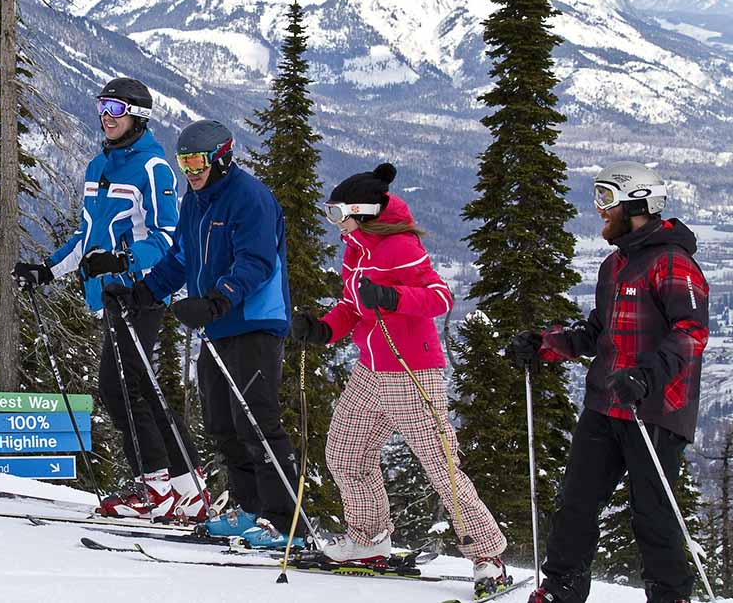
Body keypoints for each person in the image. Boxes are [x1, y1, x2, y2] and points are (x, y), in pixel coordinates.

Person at [291, 163, 510, 596]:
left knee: (441, 466)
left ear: (363, 211)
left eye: (338, 213)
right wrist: (322, 329)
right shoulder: (355, 247)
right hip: (371, 369)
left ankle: (487, 557)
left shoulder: (400, 247)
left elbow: (439, 297)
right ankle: (369, 542)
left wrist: (392, 297)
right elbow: (351, 307)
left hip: (412, 372)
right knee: (345, 453)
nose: (335, 222)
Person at [509, 162, 708, 603]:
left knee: (652, 515)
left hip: (654, 409)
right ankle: (562, 588)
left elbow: (692, 332)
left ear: (635, 203)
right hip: (605, 404)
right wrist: (544, 345)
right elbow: (598, 331)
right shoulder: (615, 264)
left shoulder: (672, 263)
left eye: (606, 199)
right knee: (576, 504)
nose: (599, 209)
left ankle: (670, 596)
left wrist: (646, 376)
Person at [13, 78, 208, 522]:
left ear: (137, 115)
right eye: (102, 106)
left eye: (116, 107)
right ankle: (180, 487)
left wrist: (121, 260)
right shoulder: (97, 167)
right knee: (132, 389)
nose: (106, 115)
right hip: (110, 296)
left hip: (142, 293)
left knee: (122, 389)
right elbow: (87, 237)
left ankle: (165, 486)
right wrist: (46, 269)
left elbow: (168, 239)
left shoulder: (154, 167)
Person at [107, 119, 298, 549]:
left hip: (254, 322)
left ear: (221, 158)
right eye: (184, 162)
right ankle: (248, 510)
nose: (190, 171)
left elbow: (256, 262)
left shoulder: (250, 199)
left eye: (197, 162)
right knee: (223, 423)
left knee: (257, 422)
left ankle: (286, 524)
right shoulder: (196, 202)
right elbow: (180, 259)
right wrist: (143, 291)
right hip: (218, 325)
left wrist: (217, 300)